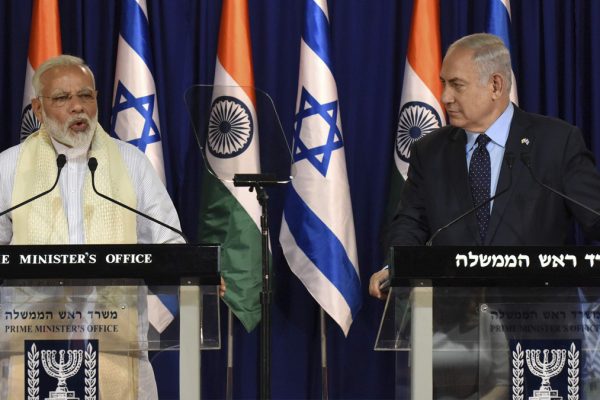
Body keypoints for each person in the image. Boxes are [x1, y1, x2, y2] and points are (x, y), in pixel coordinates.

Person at [370, 33, 600, 400]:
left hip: (540, 332)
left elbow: (595, 217)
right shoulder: (430, 151)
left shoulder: (556, 143)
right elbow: (409, 222)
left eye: (456, 85)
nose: (445, 96)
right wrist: (395, 266)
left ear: (495, 85)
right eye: (443, 83)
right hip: (454, 336)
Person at [0, 55, 216, 400]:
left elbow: (169, 244)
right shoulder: (9, 166)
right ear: (38, 109)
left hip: (115, 337)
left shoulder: (131, 163)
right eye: (62, 98)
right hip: (33, 336)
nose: (77, 107)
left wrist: (197, 274)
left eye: (86, 95)